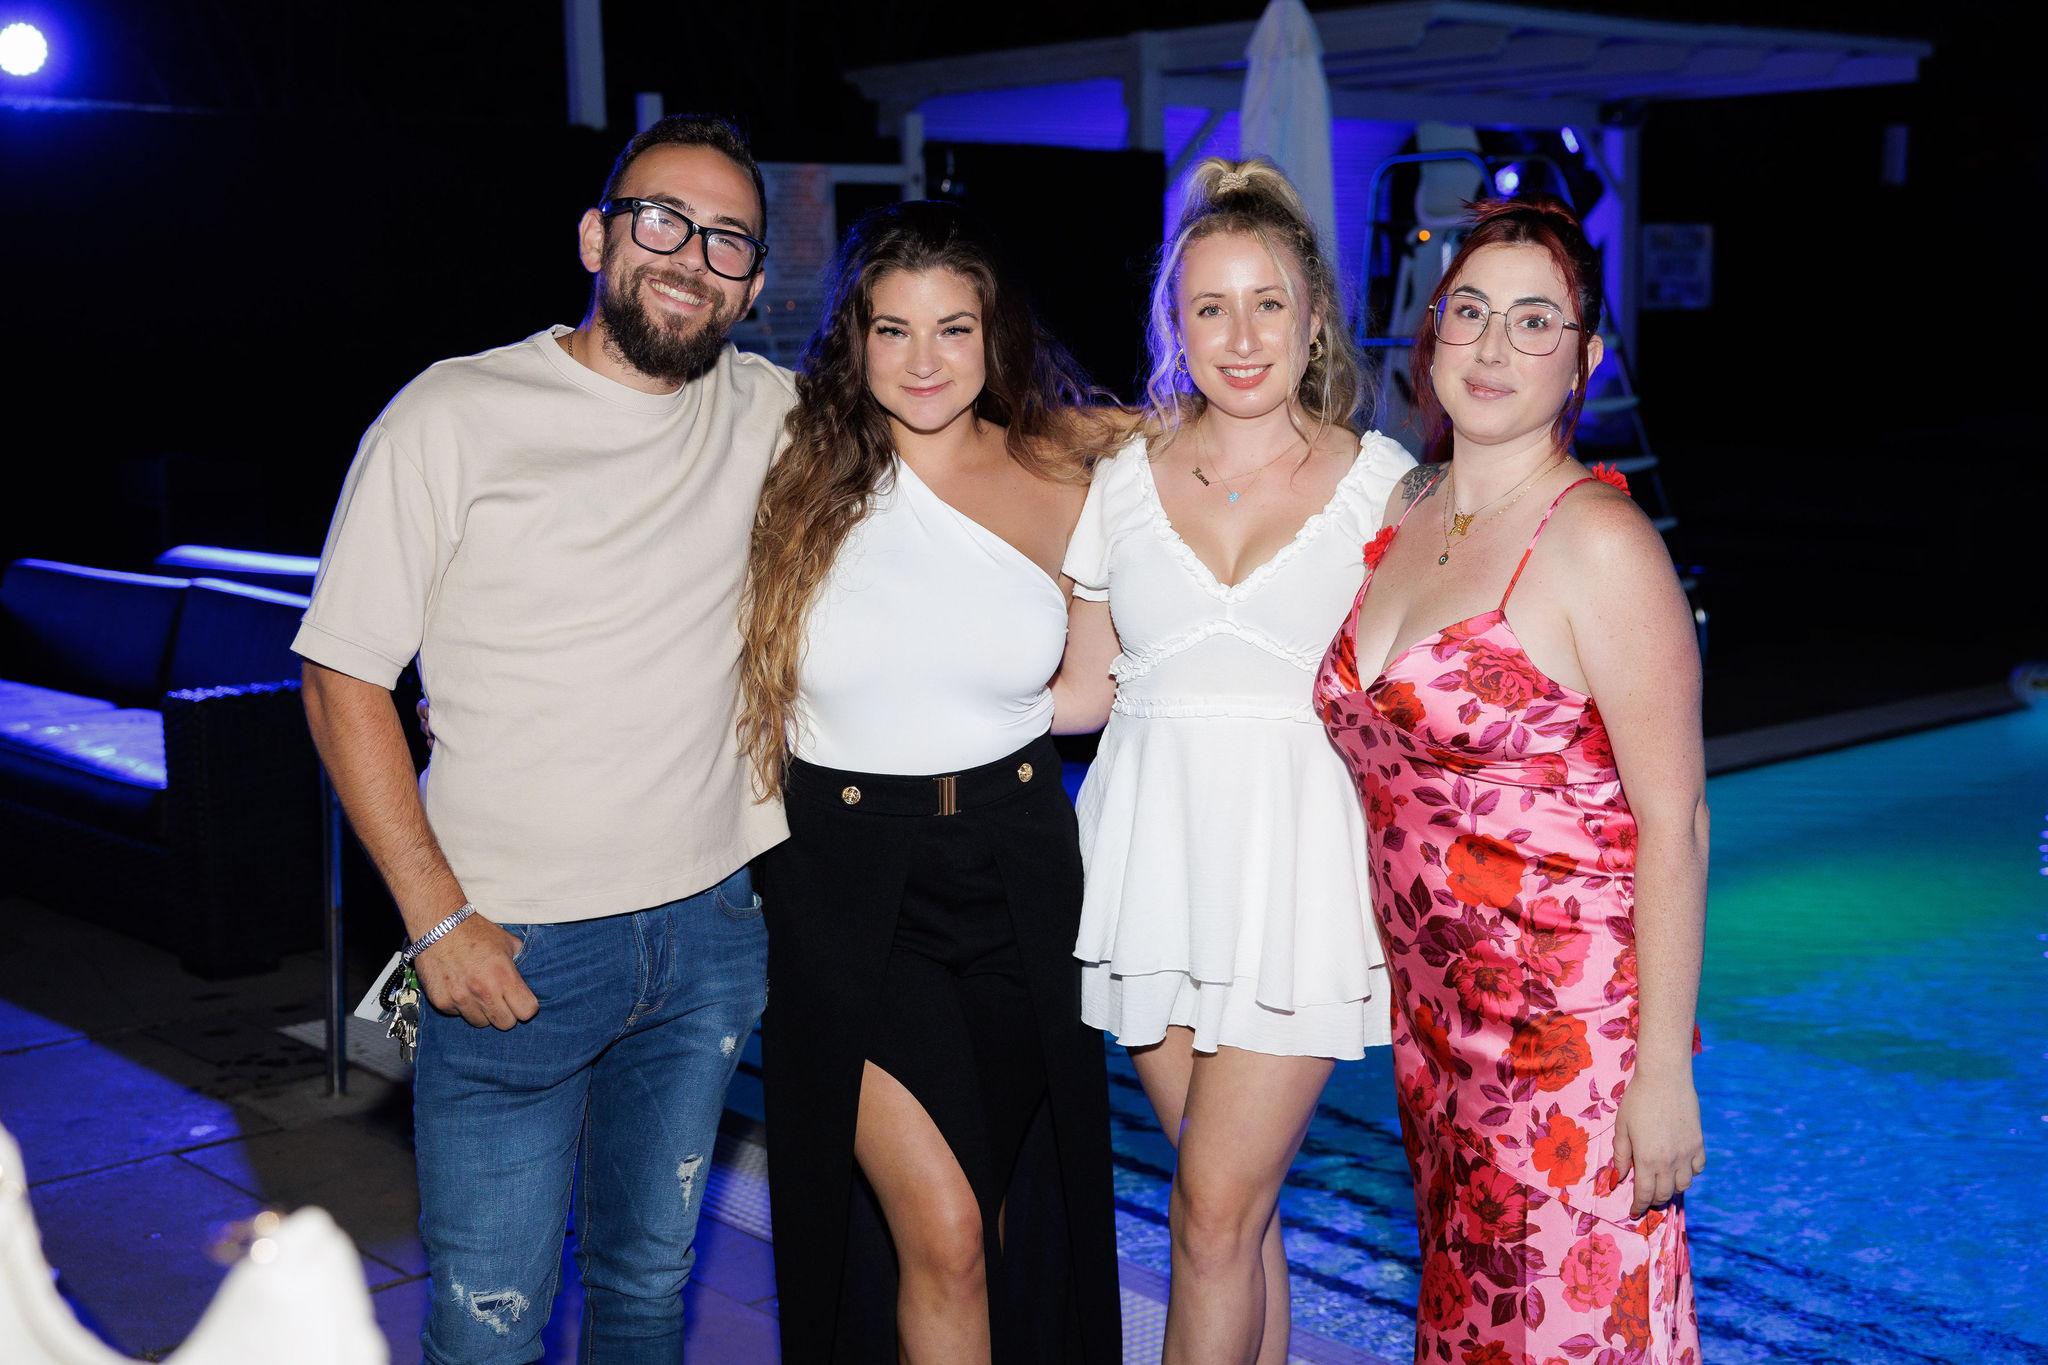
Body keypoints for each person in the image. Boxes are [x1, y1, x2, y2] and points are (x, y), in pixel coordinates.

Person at [294, 114, 791, 1364]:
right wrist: (435, 920)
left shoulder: (772, 410)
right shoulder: (454, 414)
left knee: (647, 1290)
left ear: (752, 286)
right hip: (511, 947)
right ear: (595, 237)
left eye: (727, 239)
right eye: (661, 220)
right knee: (490, 1325)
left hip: (711, 931)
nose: (690, 257)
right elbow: (343, 674)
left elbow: (966, 434)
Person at [1315, 194, 1705, 1361]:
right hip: (1436, 1033)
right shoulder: (1406, 507)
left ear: (1582, 360)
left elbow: (1674, 821)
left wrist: (1660, 1076)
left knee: (1562, 1332)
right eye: (1469, 311)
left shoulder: (1597, 544)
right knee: (1466, 1324)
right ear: (1430, 334)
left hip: (1566, 1049)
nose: (1491, 346)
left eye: (1534, 321)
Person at [738, 201, 1122, 1364]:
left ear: (992, 337)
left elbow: (1085, 693)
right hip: (846, 885)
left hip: (1017, 869)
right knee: (944, 1230)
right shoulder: (789, 467)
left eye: (952, 328)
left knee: (1000, 1217)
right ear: (851, 338)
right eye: (891, 329)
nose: (922, 360)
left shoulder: (1067, 473)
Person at [1052, 157, 1415, 1365]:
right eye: (1210, 307)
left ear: (1313, 319)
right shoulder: (1117, 480)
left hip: (1298, 882)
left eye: (1267, 304)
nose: (1241, 335)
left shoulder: (1381, 487)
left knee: (1207, 1214)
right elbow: (1083, 690)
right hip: (1148, 872)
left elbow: (1423, 693)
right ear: (1175, 325)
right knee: (1231, 1214)